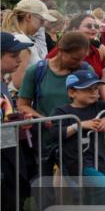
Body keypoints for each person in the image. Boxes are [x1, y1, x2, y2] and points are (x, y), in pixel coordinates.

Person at [16, 32, 96, 178]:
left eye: (82, 59)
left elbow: (96, 100)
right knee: (44, 188)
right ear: (61, 50)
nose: (79, 63)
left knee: (77, 188)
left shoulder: (85, 71)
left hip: (76, 142)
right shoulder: (37, 71)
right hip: (44, 141)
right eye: (74, 58)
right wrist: (42, 118)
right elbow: (23, 104)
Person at [50, 69, 105, 199]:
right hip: (77, 162)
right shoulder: (62, 111)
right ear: (72, 92)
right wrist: (79, 125)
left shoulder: (98, 106)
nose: (94, 92)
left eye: (96, 88)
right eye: (87, 89)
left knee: (92, 197)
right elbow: (55, 134)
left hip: (98, 159)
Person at [1, 33, 38, 211]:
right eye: (13, 56)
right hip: (3, 160)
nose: (18, 61)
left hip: (9, 154)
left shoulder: (3, 83)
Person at [48, 14, 105, 102]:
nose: (93, 29)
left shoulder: (97, 52)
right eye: (88, 26)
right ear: (74, 29)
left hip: (91, 107)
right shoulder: (60, 52)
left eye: (96, 26)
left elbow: (102, 82)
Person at [2, 0, 57, 90]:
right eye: (41, 20)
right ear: (29, 17)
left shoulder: (16, 37)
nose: (42, 25)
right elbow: (18, 82)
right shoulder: (22, 41)